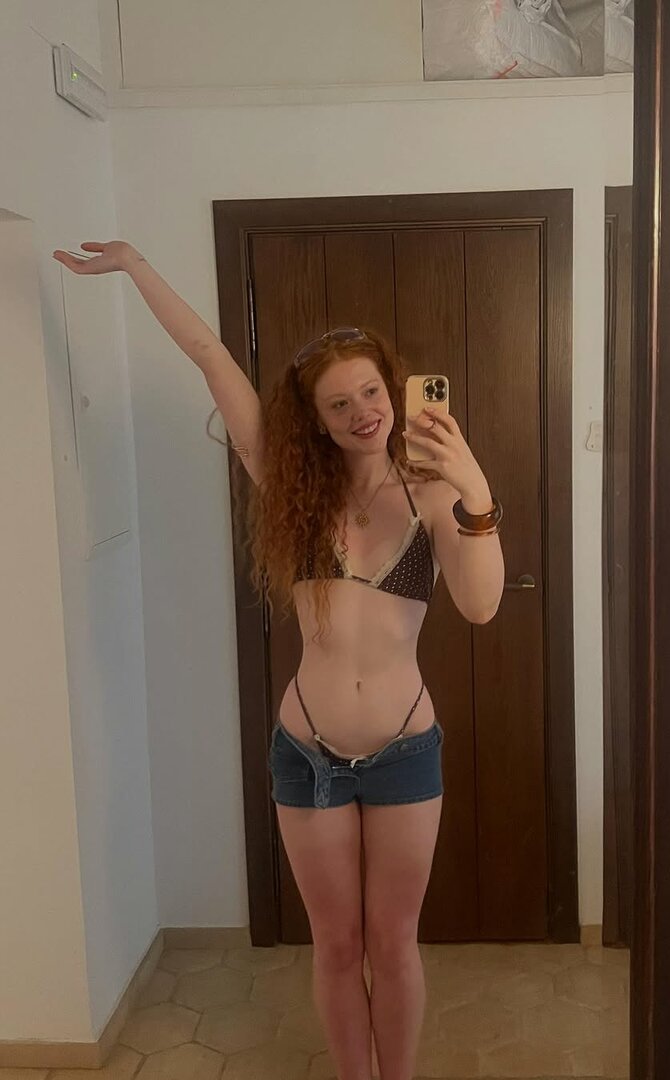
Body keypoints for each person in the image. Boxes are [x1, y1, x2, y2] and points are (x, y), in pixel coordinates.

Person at [52, 241, 506, 1080]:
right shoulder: (293, 487)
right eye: (339, 403)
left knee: (394, 941)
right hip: (307, 753)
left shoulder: (436, 493)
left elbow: (481, 604)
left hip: (406, 748)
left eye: (371, 392)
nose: (362, 411)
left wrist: (475, 487)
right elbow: (208, 354)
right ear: (318, 420)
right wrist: (136, 265)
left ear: (393, 390)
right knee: (336, 945)